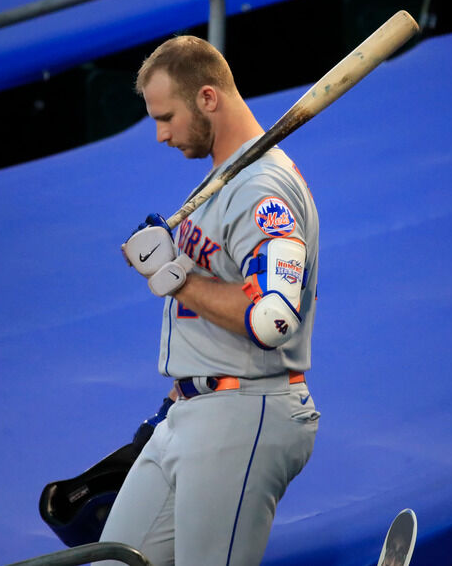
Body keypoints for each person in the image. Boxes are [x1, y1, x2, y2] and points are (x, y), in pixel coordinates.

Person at [99, 35, 320, 565]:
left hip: (246, 413)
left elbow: (272, 318)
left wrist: (176, 277)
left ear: (207, 98)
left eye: (166, 117)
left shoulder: (261, 190)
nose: (160, 135)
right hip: (192, 412)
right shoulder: (222, 182)